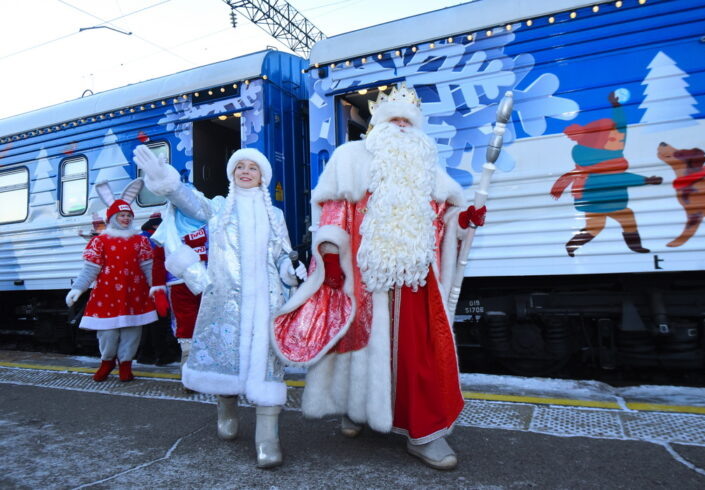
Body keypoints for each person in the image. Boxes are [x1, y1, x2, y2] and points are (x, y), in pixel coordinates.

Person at [273, 83, 482, 470]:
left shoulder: (427, 165)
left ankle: (425, 432)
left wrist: (463, 220)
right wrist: (331, 258)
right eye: (394, 118)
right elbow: (333, 213)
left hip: (414, 280)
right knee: (354, 346)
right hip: (360, 276)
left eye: (408, 120)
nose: (402, 126)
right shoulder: (350, 157)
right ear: (378, 123)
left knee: (420, 355)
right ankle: (357, 409)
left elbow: (443, 218)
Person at [132, 144, 306, 469]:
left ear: (262, 176)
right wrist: (167, 183)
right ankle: (226, 407)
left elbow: (282, 251)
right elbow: (189, 202)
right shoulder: (219, 209)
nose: (245, 172)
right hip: (227, 301)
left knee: (268, 368)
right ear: (232, 173)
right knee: (226, 359)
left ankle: (268, 438)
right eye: (240, 167)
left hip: (267, 303)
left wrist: (287, 267)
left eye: (252, 168)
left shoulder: (275, 214)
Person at [66, 179, 158, 382]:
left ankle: (125, 365)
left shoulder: (140, 241)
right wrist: (78, 288)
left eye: (128, 215)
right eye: (121, 215)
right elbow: (91, 268)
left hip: (135, 294)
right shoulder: (100, 241)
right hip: (107, 294)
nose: (125, 219)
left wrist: (156, 288)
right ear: (112, 217)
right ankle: (107, 362)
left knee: (132, 332)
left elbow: (147, 267)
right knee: (108, 333)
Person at [551, 91, 663, 256]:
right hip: (603, 201)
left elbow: (621, 129)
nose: (620, 141)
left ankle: (572, 245)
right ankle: (635, 246)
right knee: (625, 218)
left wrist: (616, 107)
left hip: (596, 201)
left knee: (596, 227)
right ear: (600, 144)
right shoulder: (605, 162)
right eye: (614, 139)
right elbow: (621, 178)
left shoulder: (610, 153)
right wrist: (646, 180)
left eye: (619, 139)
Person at [147, 202, 208, 374]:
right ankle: (188, 370)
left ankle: (206, 367)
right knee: (186, 325)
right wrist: (158, 289)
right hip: (179, 283)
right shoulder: (168, 229)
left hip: (208, 282)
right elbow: (158, 259)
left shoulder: (208, 225)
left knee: (208, 323)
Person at [136, 213, 180, 366]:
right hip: (154, 286)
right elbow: (157, 263)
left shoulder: (142, 237)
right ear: (156, 226)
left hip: (146, 286)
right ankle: (163, 355)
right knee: (159, 322)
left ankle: (145, 355)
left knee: (151, 322)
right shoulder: (153, 239)